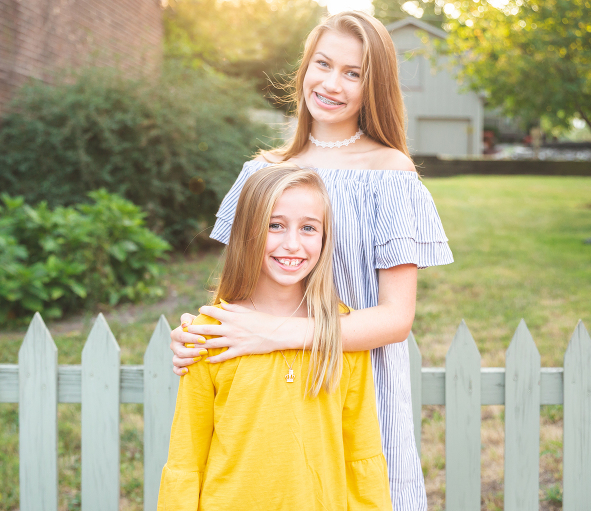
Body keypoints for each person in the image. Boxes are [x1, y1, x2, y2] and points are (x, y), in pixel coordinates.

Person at [169, 10, 453, 511]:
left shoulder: (389, 172)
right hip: (266, 389)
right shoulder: (262, 171)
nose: (331, 83)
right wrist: (199, 331)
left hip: (354, 380)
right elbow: (239, 286)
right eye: (323, 64)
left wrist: (280, 335)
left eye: (353, 73)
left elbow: (395, 318)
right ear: (304, 68)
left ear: (374, 87)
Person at [158, 164, 391, 510]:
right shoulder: (211, 333)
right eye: (275, 225)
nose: (292, 244)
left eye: (309, 228)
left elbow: (362, 452)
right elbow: (186, 458)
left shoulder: (342, 332)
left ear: (325, 238)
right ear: (247, 232)